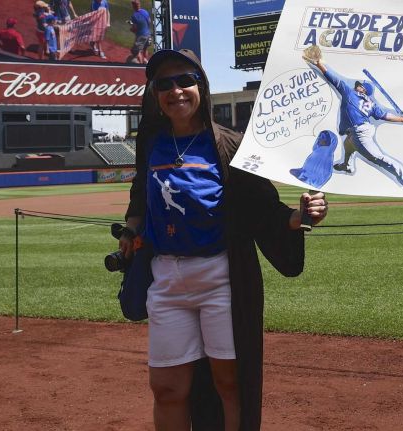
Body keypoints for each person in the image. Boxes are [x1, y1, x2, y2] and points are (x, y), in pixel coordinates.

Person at [119, 49, 328, 431]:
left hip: (220, 279)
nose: (176, 90)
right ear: (153, 93)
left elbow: (264, 209)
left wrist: (301, 217)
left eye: (185, 80)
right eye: (164, 84)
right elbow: (139, 196)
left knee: (229, 384)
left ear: (203, 86)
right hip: (166, 280)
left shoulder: (229, 146)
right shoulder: (150, 144)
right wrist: (131, 229)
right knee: (166, 388)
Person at [304, 51, 403, 186]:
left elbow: (333, 78)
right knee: (348, 146)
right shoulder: (372, 104)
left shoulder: (350, 93)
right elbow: (385, 116)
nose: (357, 85)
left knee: (376, 157)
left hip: (360, 131)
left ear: (363, 90)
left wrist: (318, 64)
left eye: (360, 85)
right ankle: (347, 165)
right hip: (359, 130)